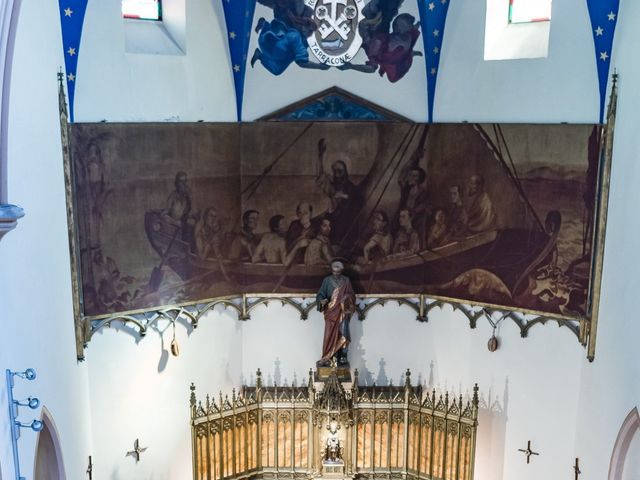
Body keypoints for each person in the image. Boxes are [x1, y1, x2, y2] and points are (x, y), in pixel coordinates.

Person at [251, 0, 329, 75]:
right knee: (294, 41)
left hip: (270, 47)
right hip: (271, 45)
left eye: (311, 32)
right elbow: (302, 62)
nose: (310, 33)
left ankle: (260, 54)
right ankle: (265, 24)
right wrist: (319, 66)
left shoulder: (300, 37)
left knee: (277, 70)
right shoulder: (295, 36)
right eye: (310, 31)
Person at [316, 139, 364, 245]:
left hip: (346, 226)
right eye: (334, 171)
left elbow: (358, 203)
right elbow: (321, 177)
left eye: (340, 171)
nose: (337, 175)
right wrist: (320, 156)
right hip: (332, 224)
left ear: (345, 172)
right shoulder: (333, 187)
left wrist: (344, 197)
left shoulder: (352, 189)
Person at [316, 261, 356, 367]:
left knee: (343, 334)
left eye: (338, 272)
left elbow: (352, 295)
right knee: (329, 335)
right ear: (332, 271)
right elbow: (321, 294)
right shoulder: (327, 280)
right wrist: (322, 301)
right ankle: (328, 356)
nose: (336, 274)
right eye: (334, 272)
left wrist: (346, 299)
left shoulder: (346, 281)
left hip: (343, 312)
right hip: (331, 312)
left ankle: (342, 356)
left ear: (341, 271)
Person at [397, 165, 430, 246]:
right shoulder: (406, 191)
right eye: (410, 175)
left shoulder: (423, 192)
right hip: (406, 219)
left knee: (418, 238)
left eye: (414, 176)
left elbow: (425, 205)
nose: (411, 177)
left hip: (418, 219)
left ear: (420, 179)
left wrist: (414, 211)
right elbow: (400, 179)